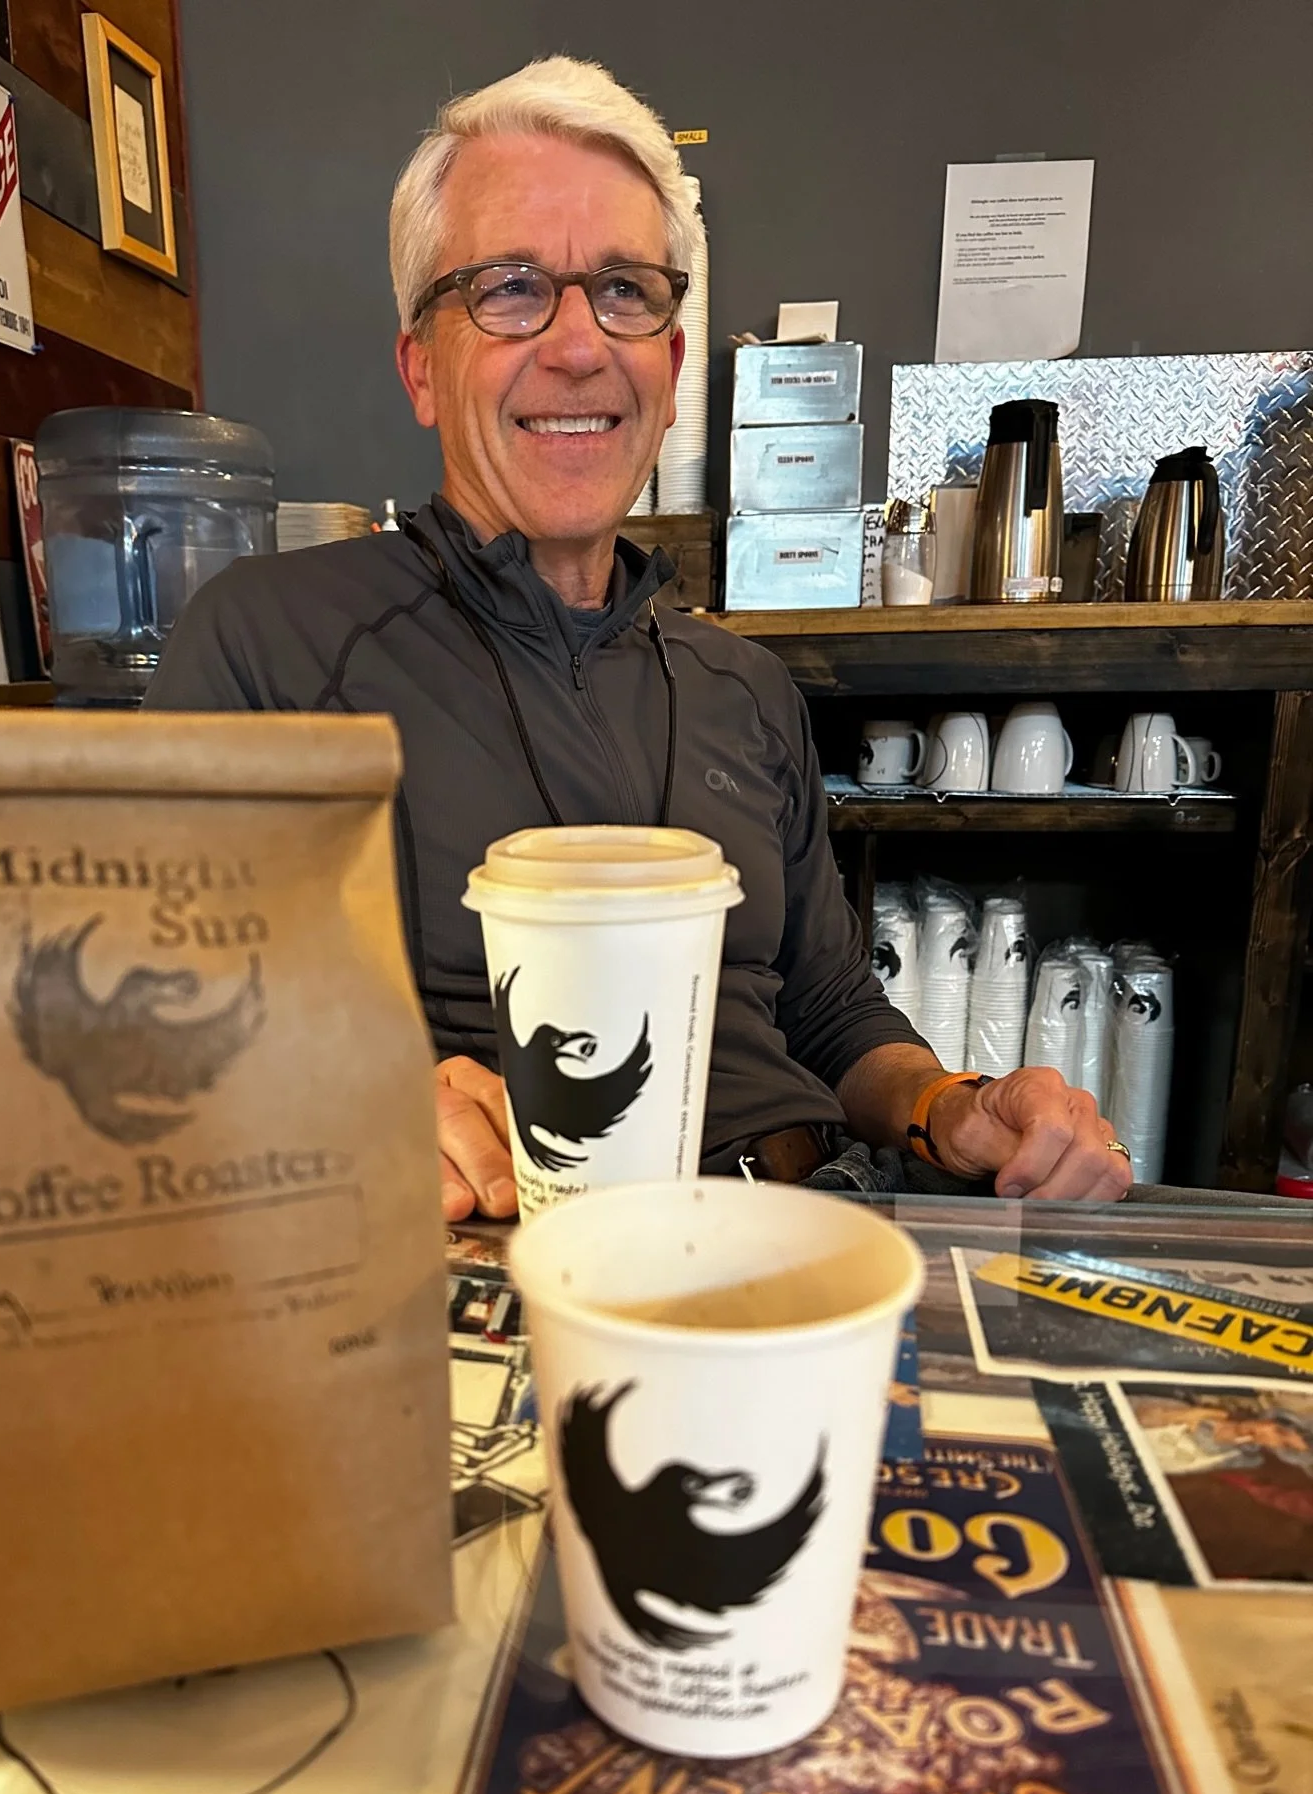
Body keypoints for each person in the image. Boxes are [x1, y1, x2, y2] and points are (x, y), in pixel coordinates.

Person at [146, 56, 1131, 1221]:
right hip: (502, 1256)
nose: (580, 346)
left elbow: (828, 1006)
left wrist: (949, 1107)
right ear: (421, 367)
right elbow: (167, 1026)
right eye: (512, 288)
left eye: (624, 290)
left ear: (668, 365)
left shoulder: (744, 686)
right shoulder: (272, 643)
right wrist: (350, 1100)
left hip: (814, 1225)